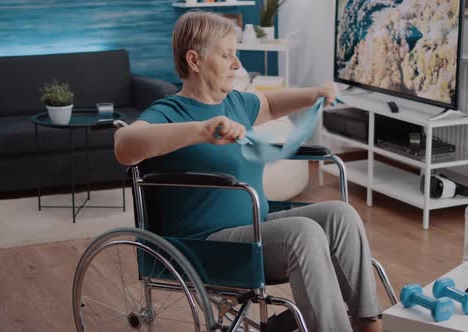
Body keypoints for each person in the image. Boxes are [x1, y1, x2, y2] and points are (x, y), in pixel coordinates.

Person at [114, 11, 382, 332]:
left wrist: (315, 95)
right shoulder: (169, 111)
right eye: (226, 55)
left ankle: (369, 324)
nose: (237, 64)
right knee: (304, 233)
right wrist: (201, 131)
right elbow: (124, 146)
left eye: (235, 54)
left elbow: (268, 104)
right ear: (194, 60)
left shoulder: (235, 103)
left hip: (254, 227)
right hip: (204, 245)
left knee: (341, 215)